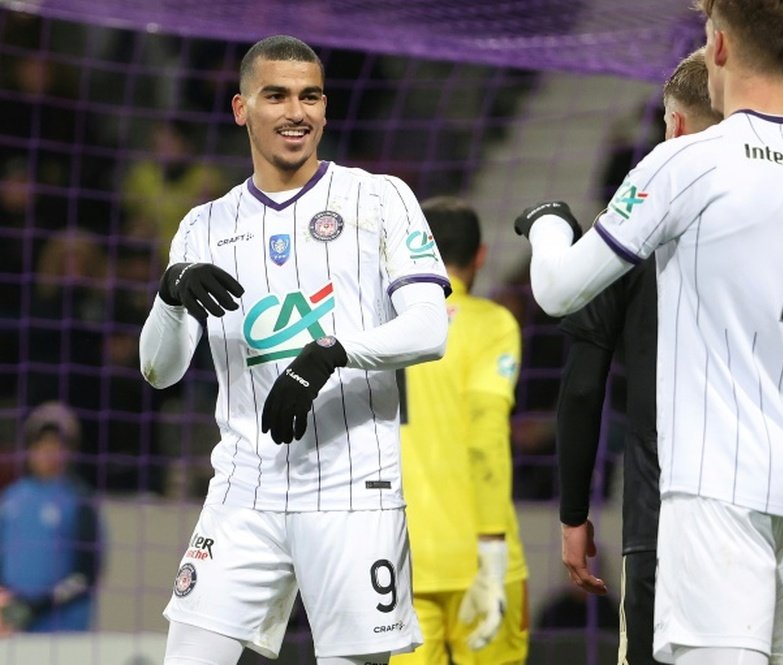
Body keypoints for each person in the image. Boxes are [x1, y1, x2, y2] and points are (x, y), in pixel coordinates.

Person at [513, 1, 783, 663]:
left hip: (717, 492)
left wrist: (550, 224)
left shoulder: (686, 164)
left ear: (720, 48)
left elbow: (558, 289)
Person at [138, 35, 451, 665]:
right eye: (275, 95)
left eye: (310, 96)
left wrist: (330, 353)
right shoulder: (202, 226)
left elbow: (430, 329)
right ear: (240, 108)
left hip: (353, 490)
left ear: (327, 109)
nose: (295, 112)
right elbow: (160, 371)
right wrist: (170, 294)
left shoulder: (379, 197)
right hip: (243, 487)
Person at [391, 196, 529, 665]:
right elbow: (487, 436)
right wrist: (492, 547)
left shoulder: (380, 327)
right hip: (479, 553)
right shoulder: (492, 324)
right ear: (481, 255)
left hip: (398, 560)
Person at [0, 402, 103, 633]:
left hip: (64, 631)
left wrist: (38, 606)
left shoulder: (80, 500)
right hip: (12, 628)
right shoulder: (10, 499)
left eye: (57, 445)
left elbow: (85, 576)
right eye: (42, 443)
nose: (49, 452)